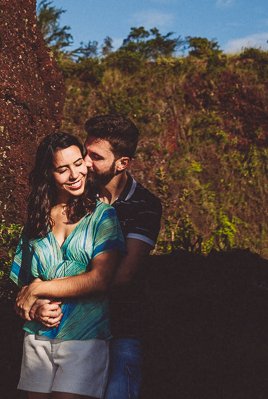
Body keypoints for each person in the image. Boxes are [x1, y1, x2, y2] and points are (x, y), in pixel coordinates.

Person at [11, 131, 126, 399]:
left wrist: (39, 290)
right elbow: (23, 289)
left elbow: (100, 279)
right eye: (63, 169)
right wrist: (36, 306)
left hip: (84, 337)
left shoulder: (103, 216)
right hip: (38, 336)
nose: (75, 175)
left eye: (78, 163)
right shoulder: (36, 220)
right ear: (48, 174)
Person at [83, 114, 163, 399]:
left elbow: (124, 275)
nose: (86, 162)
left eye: (96, 156)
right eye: (85, 153)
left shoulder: (146, 204)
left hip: (122, 328)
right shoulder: (77, 197)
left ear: (122, 163)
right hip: (74, 329)